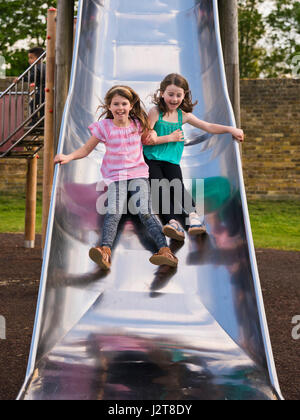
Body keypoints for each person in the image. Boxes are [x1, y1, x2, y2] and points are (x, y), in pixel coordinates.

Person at [54, 85, 178, 271]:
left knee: (144, 211)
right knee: (114, 213)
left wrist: (165, 136)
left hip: (138, 175)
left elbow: (150, 140)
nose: (120, 108)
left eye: (124, 104)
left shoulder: (138, 124)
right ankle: (105, 251)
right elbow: (87, 149)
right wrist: (68, 157)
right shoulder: (104, 127)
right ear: (109, 107)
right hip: (116, 177)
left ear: (130, 105)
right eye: (116, 104)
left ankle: (165, 250)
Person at [143, 73, 244, 242]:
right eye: (170, 94)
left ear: (184, 96)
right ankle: (172, 221)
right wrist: (168, 138)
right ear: (162, 93)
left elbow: (208, 126)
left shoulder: (184, 116)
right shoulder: (155, 112)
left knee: (178, 187)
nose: (174, 99)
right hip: (152, 159)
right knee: (159, 188)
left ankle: (194, 218)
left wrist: (231, 129)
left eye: (178, 95)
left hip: (171, 160)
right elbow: (145, 138)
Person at [15, 47, 46, 126]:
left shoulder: (36, 67)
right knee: (42, 105)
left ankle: (34, 121)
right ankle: (42, 120)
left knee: (32, 104)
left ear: (40, 58)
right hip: (45, 90)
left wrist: (21, 79)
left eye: (31, 58)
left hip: (42, 91)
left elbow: (31, 78)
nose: (29, 60)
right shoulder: (45, 66)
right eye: (29, 58)